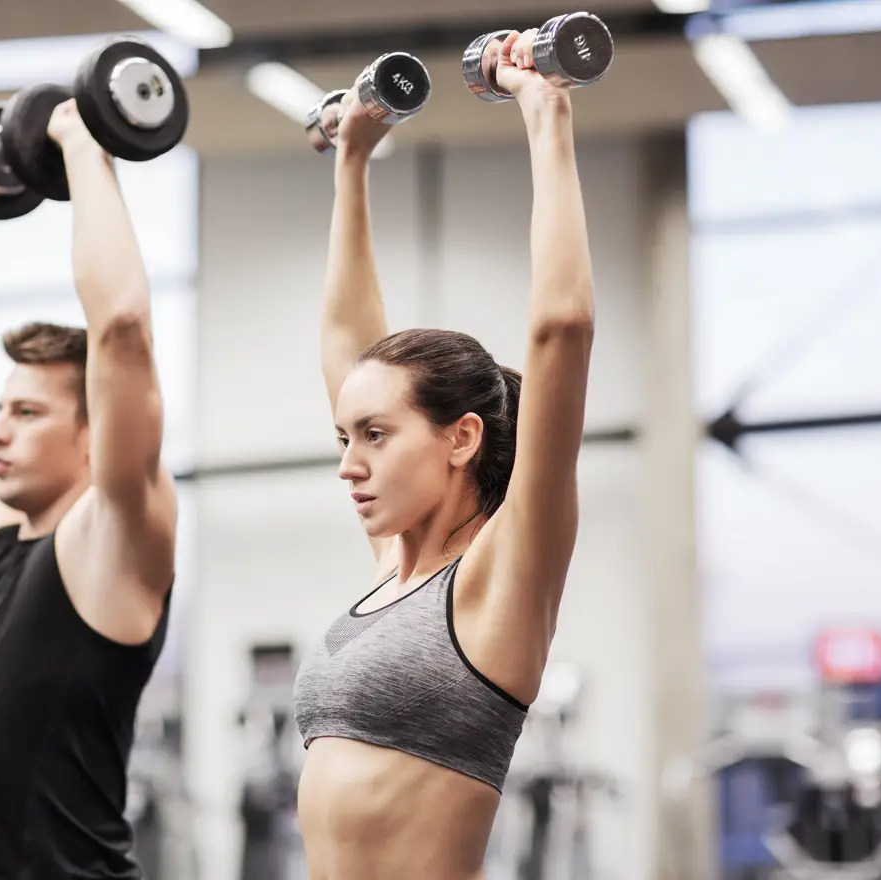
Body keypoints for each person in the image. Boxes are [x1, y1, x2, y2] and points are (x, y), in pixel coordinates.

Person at [291, 28, 595, 880]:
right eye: (345, 438)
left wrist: (546, 107)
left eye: (376, 437)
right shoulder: (394, 567)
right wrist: (352, 163)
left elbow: (561, 329)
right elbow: (349, 347)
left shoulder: (504, 571)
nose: (349, 463)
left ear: (463, 437)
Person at [0, 100, 178, 879]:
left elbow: (122, 327)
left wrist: (84, 145)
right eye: (2, 410)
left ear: (95, 434)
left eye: (26, 414)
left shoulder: (112, 543)